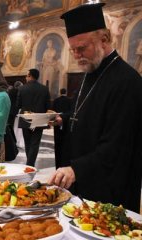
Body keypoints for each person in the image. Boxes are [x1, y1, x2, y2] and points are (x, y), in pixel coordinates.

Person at [48, 3, 142, 213]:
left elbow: (118, 145)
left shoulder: (127, 81)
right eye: (73, 50)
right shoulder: (90, 72)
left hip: (110, 189)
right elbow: (87, 115)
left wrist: (76, 169)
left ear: (104, 39)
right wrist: (64, 118)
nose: (77, 55)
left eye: (82, 48)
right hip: (86, 181)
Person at [16, 69, 51, 166]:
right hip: (39, 119)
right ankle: (30, 164)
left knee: (27, 142)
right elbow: (48, 105)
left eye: (26, 76)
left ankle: (29, 164)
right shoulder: (44, 89)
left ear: (30, 76)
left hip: (25, 118)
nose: (25, 77)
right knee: (35, 143)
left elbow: (18, 105)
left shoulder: (22, 89)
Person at [51, 88, 72, 169]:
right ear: (65, 92)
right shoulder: (70, 100)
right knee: (64, 143)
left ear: (60, 92)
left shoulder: (56, 100)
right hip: (66, 125)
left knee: (57, 144)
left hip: (56, 123)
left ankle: (58, 166)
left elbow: (53, 111)